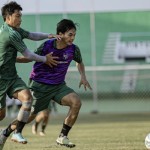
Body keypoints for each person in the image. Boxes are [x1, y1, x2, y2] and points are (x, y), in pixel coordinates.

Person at [15, 18, 92, 148]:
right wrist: (13, 59)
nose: (72, 38)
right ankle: (7, 132)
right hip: (40, 85)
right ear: (60, 34)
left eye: (74, 35)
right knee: (29, 116)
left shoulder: (73, 49)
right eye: (70, 35)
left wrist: (83, 76)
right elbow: (30, 57)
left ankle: (62, 137)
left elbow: (79, 62)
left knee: (76, 102)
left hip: (58, 86)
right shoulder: (47, 45)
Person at [0, 1, 60, 149]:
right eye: (18, 16)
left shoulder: (15, 29)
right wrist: (45, 59)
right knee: (1, 115)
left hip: (12, 77)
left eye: (21, 16)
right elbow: (28, 54)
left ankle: (17, 132)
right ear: (8, 17)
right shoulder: (11, 34)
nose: (20, 19)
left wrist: (48, 35)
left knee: (27, 98)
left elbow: (32, 35)